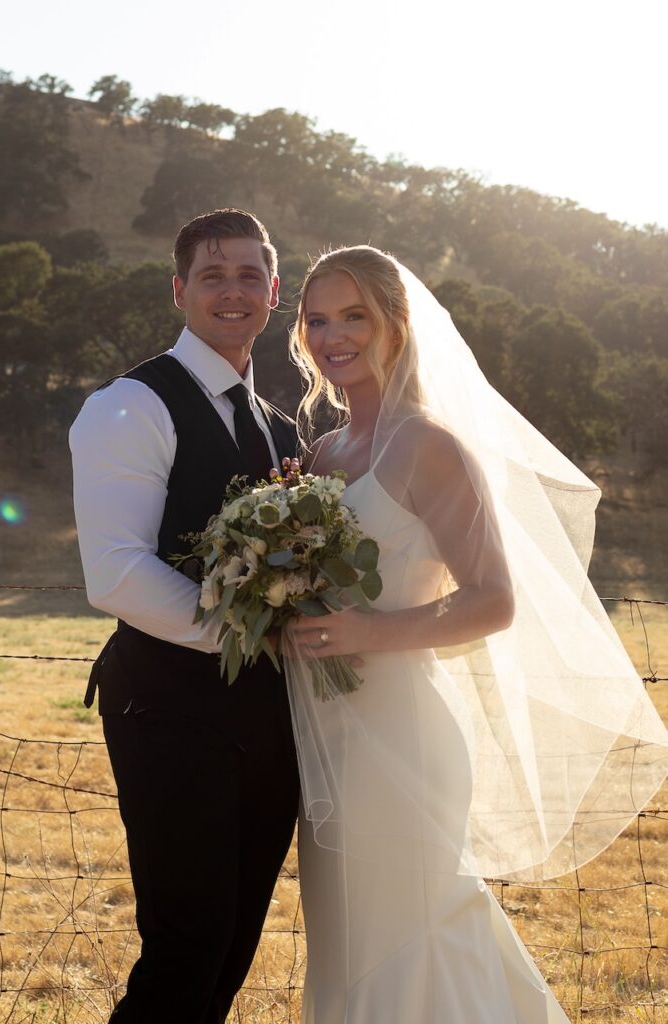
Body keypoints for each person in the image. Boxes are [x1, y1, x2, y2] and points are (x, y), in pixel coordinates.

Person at [284, 245, 668, 1023]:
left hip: (404, 731)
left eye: (354, 315)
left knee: (413, 936)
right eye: (318, 319)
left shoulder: (430, 445)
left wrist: (369, 629)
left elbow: (494, 601)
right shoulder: (324, 452)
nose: (334, 336)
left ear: (396, 322)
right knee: (347, 946)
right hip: (327, 736)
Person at [69, 209, 300, 1024]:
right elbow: (118, 574)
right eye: (213, 274)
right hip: (167, 711)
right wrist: (258, 637)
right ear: (180, 290)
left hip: (270, 721)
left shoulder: (282, 428)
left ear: (275, 291)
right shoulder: (130, 405)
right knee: (185, 944)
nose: (232, 291)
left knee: (233, 946)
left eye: (249, 275)